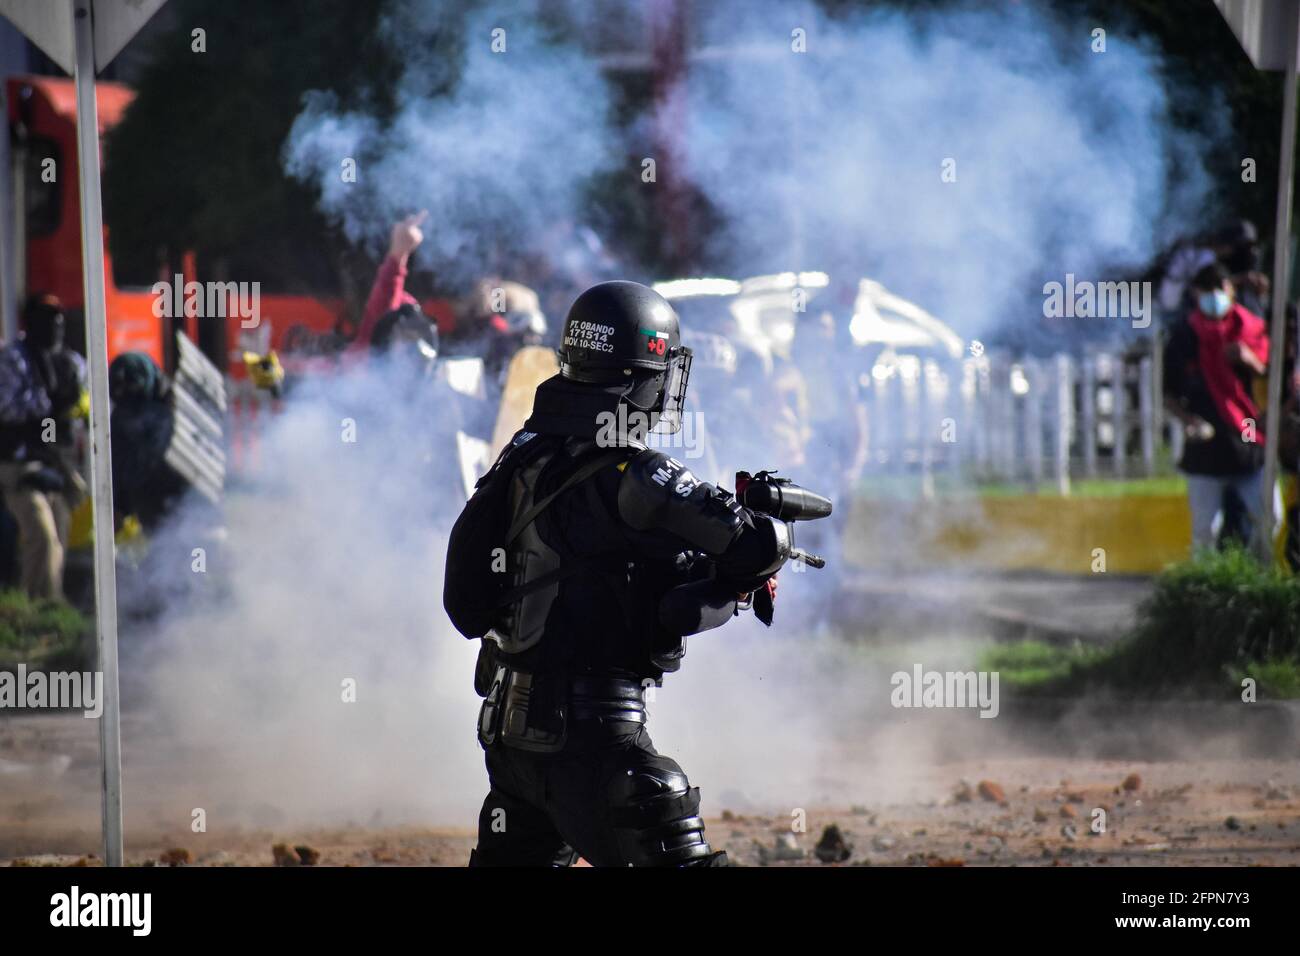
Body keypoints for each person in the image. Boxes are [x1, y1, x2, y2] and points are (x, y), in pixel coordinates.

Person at [446, 280, 796, 867]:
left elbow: (477, 597)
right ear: (646, 376)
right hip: (596, 746)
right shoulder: (639, 474)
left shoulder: (524, 454)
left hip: (510, 745)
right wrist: (751, 562)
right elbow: (756, 545)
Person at [1163, 263, 1270, 551]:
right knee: (1204, 530)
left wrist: (1250, 361)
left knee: (1270, 518)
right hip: (1206, 446)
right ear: (1197, 294)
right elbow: (1168, 393)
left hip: (1248, 435)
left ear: (1231, 290)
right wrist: (1189, 420)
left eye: (1219, 288)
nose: (1214, 295)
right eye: (1206, 289)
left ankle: (1258, 576)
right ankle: (1208, 583)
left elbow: (1272, 379)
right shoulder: (1184, 336)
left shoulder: (1252, 327)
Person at [0, 294, 87, 600]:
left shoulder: (69, 361)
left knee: (59, 538)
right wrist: (47, 404)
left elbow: (83, 408)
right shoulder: (14, 359)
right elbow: (7, 409)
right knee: (43, 538)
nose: (55, 327)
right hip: (21, 463)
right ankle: (36, 606)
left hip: (56, 462)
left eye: (58, 320)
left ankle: (50, 604)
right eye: (47, 320)